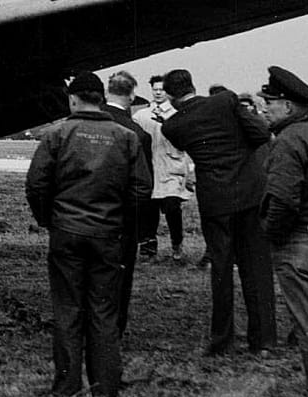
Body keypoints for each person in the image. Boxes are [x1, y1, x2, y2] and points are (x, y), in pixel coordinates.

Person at [25, 71, 152, 397]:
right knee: (104, 310)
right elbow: (141, 189)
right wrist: (122, 224)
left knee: (68, 309)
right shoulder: (126, 137)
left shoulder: (57, 134)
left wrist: (49, 220)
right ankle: (105, 385)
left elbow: (37, 184)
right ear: (101, 98)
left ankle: (66, 385)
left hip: (66, 231)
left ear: (73, 98)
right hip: (108, 234)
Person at [160, 67, 276, 356]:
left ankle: (222, 339)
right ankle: (263, 340)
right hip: (249, 193)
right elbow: (261, 133)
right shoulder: (225, 101)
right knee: (257, 266)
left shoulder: (172, 126)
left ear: (172, 98)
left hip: (215, 199)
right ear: (193, 85)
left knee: (221, 269)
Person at [259, 64, 308, 397]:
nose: (264, 107)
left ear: (288, 107)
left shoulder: (287, 141)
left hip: (298, 241)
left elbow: (284, 200)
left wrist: (272, 234)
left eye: (270, 102)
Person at [102, 72, 153, 335]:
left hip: (78, 220)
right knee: (120, 276)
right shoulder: (137, 134)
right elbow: (143, 187)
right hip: (121, 221)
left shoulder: (74, 125)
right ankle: (114, 328)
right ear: (132, 95)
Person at [135, 79, 193, 262]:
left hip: (171, 168)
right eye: (155, 89)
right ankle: (148, 248)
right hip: (150, 168)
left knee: (172, 207)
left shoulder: (178, 114)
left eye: (162, 89)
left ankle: (177, 244)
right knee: (148, 211)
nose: (158, 93)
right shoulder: (141, 115)